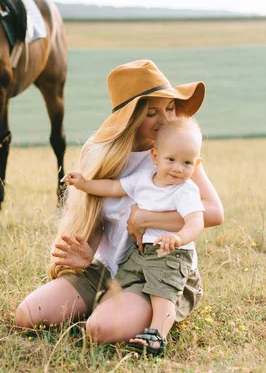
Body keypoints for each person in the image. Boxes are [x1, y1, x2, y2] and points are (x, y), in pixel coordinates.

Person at [14, 60, 224, 356]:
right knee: (28, 315)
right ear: (130, 118)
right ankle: (109, 304)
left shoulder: (175, 156)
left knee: (99, 331)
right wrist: (88, 251)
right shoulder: (103, 155)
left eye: (169, 108)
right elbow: (100, 215)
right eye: (151, 112)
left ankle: (145, 315)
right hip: (106, 268)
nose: (164, 119)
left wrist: (147, 219)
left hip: (156, 267)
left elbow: (214, 212)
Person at [61, 117, 205, 356]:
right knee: (117, 287)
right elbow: (113, 188)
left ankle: (157, 335)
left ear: (196, 163)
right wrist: (85, 184)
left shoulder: (186, 190)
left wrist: (179, 238)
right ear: (155, 156)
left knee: (163, 292)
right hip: (139, 254)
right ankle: (97, 316)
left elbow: (196, 222)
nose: (178, 168)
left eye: (187, 163)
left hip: (170, 254)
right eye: (171, 160)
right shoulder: (143, 180)